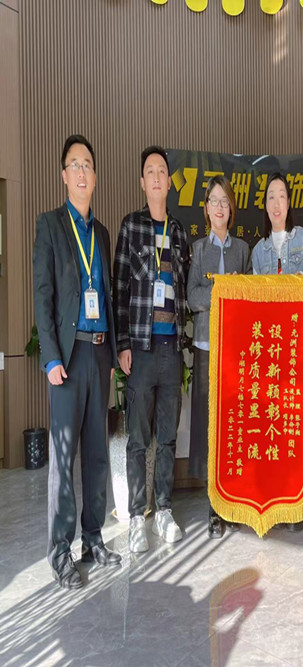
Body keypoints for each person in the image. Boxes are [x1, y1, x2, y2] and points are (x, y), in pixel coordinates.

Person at [33, 134, 121, 590]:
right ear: (64, 175)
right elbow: (43, 296)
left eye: (88, 164)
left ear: (95, 176)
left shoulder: (101, 233)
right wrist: (50, 357)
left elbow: (106, 294)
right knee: (64, 456)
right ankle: (60, 551)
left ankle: (93, 537)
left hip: (98, 353)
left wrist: (113, 352)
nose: (83, 172)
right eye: (75, 164)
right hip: (66, 359)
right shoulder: (50, 225)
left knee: (96, 454)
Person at [113, 146, 190, 553]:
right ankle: (135, 518)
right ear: (142, 182)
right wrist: (123, 344)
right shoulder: (131, 226)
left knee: (168, 436)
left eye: (163, 171)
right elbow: (120, 288)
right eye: (150, 171)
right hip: (141, 350)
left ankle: (163, 509)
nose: (157, 177)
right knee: (139, 439)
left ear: (169, 182)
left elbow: (184, 287)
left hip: (171, 349)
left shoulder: (178, 231)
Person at [252, 171, 303, 531]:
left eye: (281, 195)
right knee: (273, 426)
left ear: (289, 202)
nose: (276, 203)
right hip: (271, 355)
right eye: (270, 196)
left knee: (298, 426)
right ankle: (277, 497)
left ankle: (299, 504)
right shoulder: (258, 252)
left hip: (299, 351)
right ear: (265, 205)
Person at [187, 175, 251, 538]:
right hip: (206, 347)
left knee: (234, 426)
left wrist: (236, 290)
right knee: (209, 427)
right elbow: (192, 297)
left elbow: (252, 295)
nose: (219, 207)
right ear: (206, 209)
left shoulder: (243, 249)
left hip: (236, 351)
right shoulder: (198, 250)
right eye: (214, 201)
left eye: (225, 201)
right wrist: (222, 290)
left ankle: (234, 501)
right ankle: (214, 506)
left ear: (231, 208)